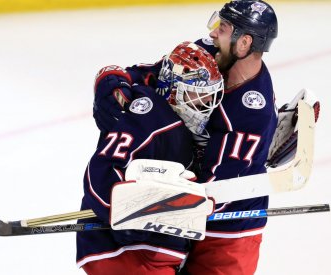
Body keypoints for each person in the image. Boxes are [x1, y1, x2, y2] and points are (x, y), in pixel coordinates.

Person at [92, 1, 279, 274]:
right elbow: (158, 74)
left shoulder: (250, 114)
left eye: (223, 28)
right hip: (183, 216)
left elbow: (217, 192)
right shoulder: (212, 52)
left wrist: (144, 207)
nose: (213, 33)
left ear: (244, 43)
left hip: (228, 231)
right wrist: (113, 81)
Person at [76, 41, 224, 274]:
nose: (206, 104)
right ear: (174, 88)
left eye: (209, 96)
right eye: (198, 95)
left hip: (156, 251)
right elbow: (99, 177)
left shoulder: (182, 125)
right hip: (123, 250)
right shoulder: (149, 118)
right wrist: (135, 213)